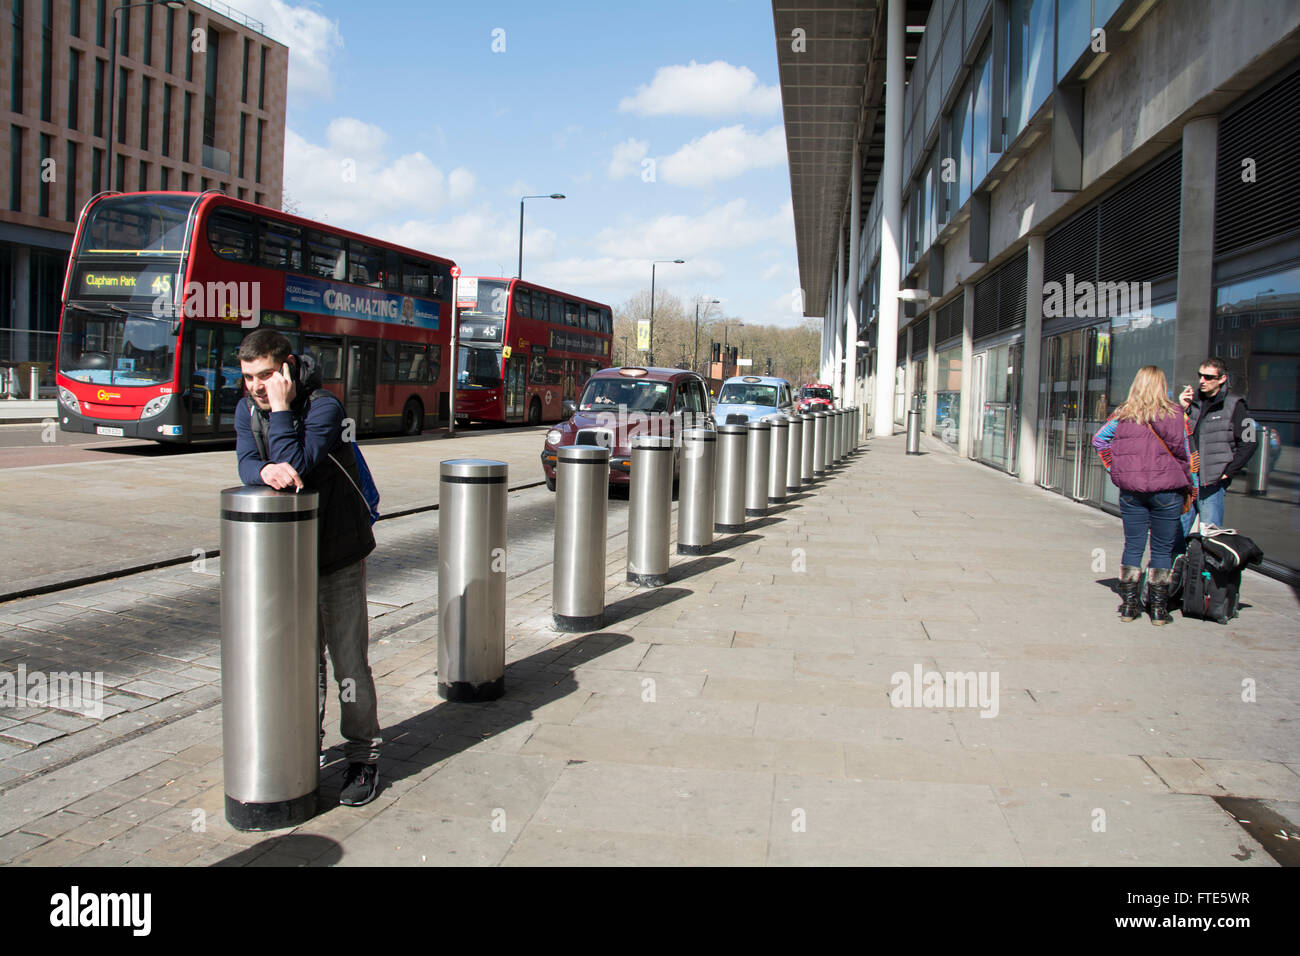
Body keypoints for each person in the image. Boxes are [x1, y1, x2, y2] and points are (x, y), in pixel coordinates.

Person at [234, 328, 382, 807]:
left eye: (266, 375)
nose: (257, 386)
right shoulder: (245, 410)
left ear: (288, 366)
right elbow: (246, 461)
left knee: (348, 663)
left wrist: (279, 412)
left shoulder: (325, 408)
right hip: (287, 563)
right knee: (302, 666)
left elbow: (296, 462)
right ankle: (306, 747)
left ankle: (363, 755)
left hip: (337, 555)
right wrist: (260, 472)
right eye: (248, 377)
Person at [1092, 366, 1196, 625]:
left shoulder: (1123, 414)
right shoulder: (1176, 415)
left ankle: (1129, 606)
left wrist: (1115, 468)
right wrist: (1191, 487)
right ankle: (1158, 610)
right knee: (1162, 548)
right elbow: (1188, 452)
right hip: (1167, 491)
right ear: (1163, 385)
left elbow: (1099, 440)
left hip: (1132, 492)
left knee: (1133, 545)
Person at [1179, 357, 1257, 532]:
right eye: (1200, 375)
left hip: (1212, 482)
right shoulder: (1193, 402)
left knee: (1210, 534)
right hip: (1187, 480)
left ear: (1222, 379)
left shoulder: (1235, 405)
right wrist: (1182, 409)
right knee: (1176, 535)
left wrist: (1228, 472)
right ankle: (1177, 560)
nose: (1202, 381)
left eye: (1208, 377)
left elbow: (1250, 441)